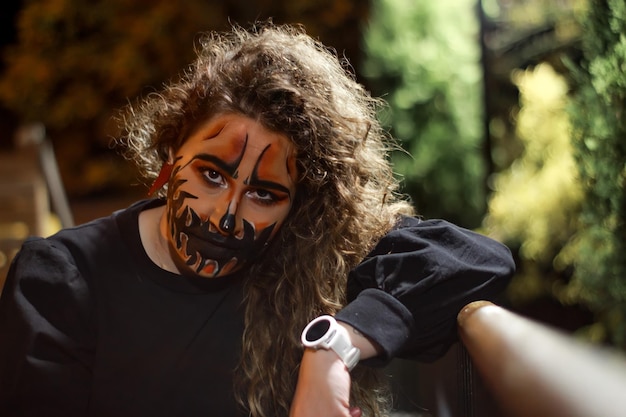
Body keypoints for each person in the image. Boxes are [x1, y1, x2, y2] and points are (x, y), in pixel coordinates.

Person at [0, 22, 514, 417]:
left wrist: (332, 347)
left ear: (298, 206)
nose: (226, 216)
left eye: (264, 194)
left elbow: (474, 258)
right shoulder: (60, 281)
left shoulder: (303, 259)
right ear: (172, 151)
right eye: (212, 175)